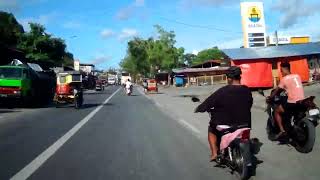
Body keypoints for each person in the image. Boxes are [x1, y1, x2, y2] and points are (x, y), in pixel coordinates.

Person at [195, 66, 253, 162]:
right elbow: (249, 104)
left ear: (229, 78)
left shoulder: (223, 91)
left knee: (211, 129)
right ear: (240, 77)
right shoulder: (247, 90)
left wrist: (200, 108)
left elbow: (208, 102)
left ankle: (214, 153)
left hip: (226, 124)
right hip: (245, 123)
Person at [268, 62, 305, 139]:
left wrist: (270, 97)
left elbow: (276, 91)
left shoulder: (284, 79)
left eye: (281, 71)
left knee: (276, 111)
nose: (281, 73)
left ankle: (282, 130)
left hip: (293, 103)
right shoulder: (297, 76)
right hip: (302, 100)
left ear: (285, 69)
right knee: (285, 100)